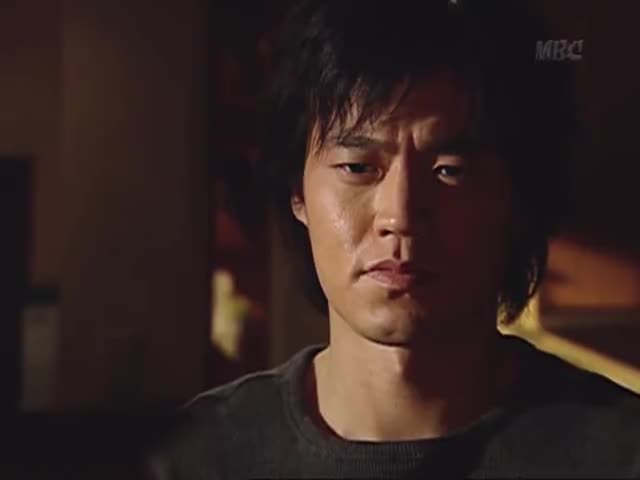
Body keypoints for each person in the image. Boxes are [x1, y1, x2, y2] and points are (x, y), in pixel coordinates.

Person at [146, 0, 640, 478]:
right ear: (298, 191)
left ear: (517, 197)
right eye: (358, 167)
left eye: (449, 170)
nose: (399, 216)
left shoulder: (618, 455)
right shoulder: (196, 459)